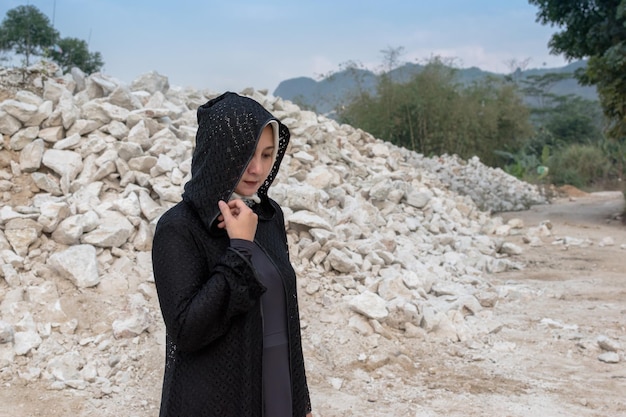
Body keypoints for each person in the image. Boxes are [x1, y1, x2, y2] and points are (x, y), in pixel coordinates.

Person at [152, 92, 313, 417]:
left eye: (267, 155)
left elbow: (287, 318)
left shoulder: (268, 217)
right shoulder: (179, 227)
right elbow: (186, 331)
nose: (257, 169)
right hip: (216, 400)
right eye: (245, 155)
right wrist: (240, 249)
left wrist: (302, 402)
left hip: (277, 389)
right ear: (220, 153)